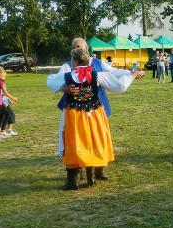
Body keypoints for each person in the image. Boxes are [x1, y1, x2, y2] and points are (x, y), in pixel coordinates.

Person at [59, 47, 141, 190]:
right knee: (94, 140)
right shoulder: (97, 75)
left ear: (75, 61)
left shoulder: (67, 76)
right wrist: (132, 75)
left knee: (76, 142)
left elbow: (51, 82)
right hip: (94, 114)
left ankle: (73, 180)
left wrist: (63, 87)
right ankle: (91, 176)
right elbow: (120, 86)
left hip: (75, 116)